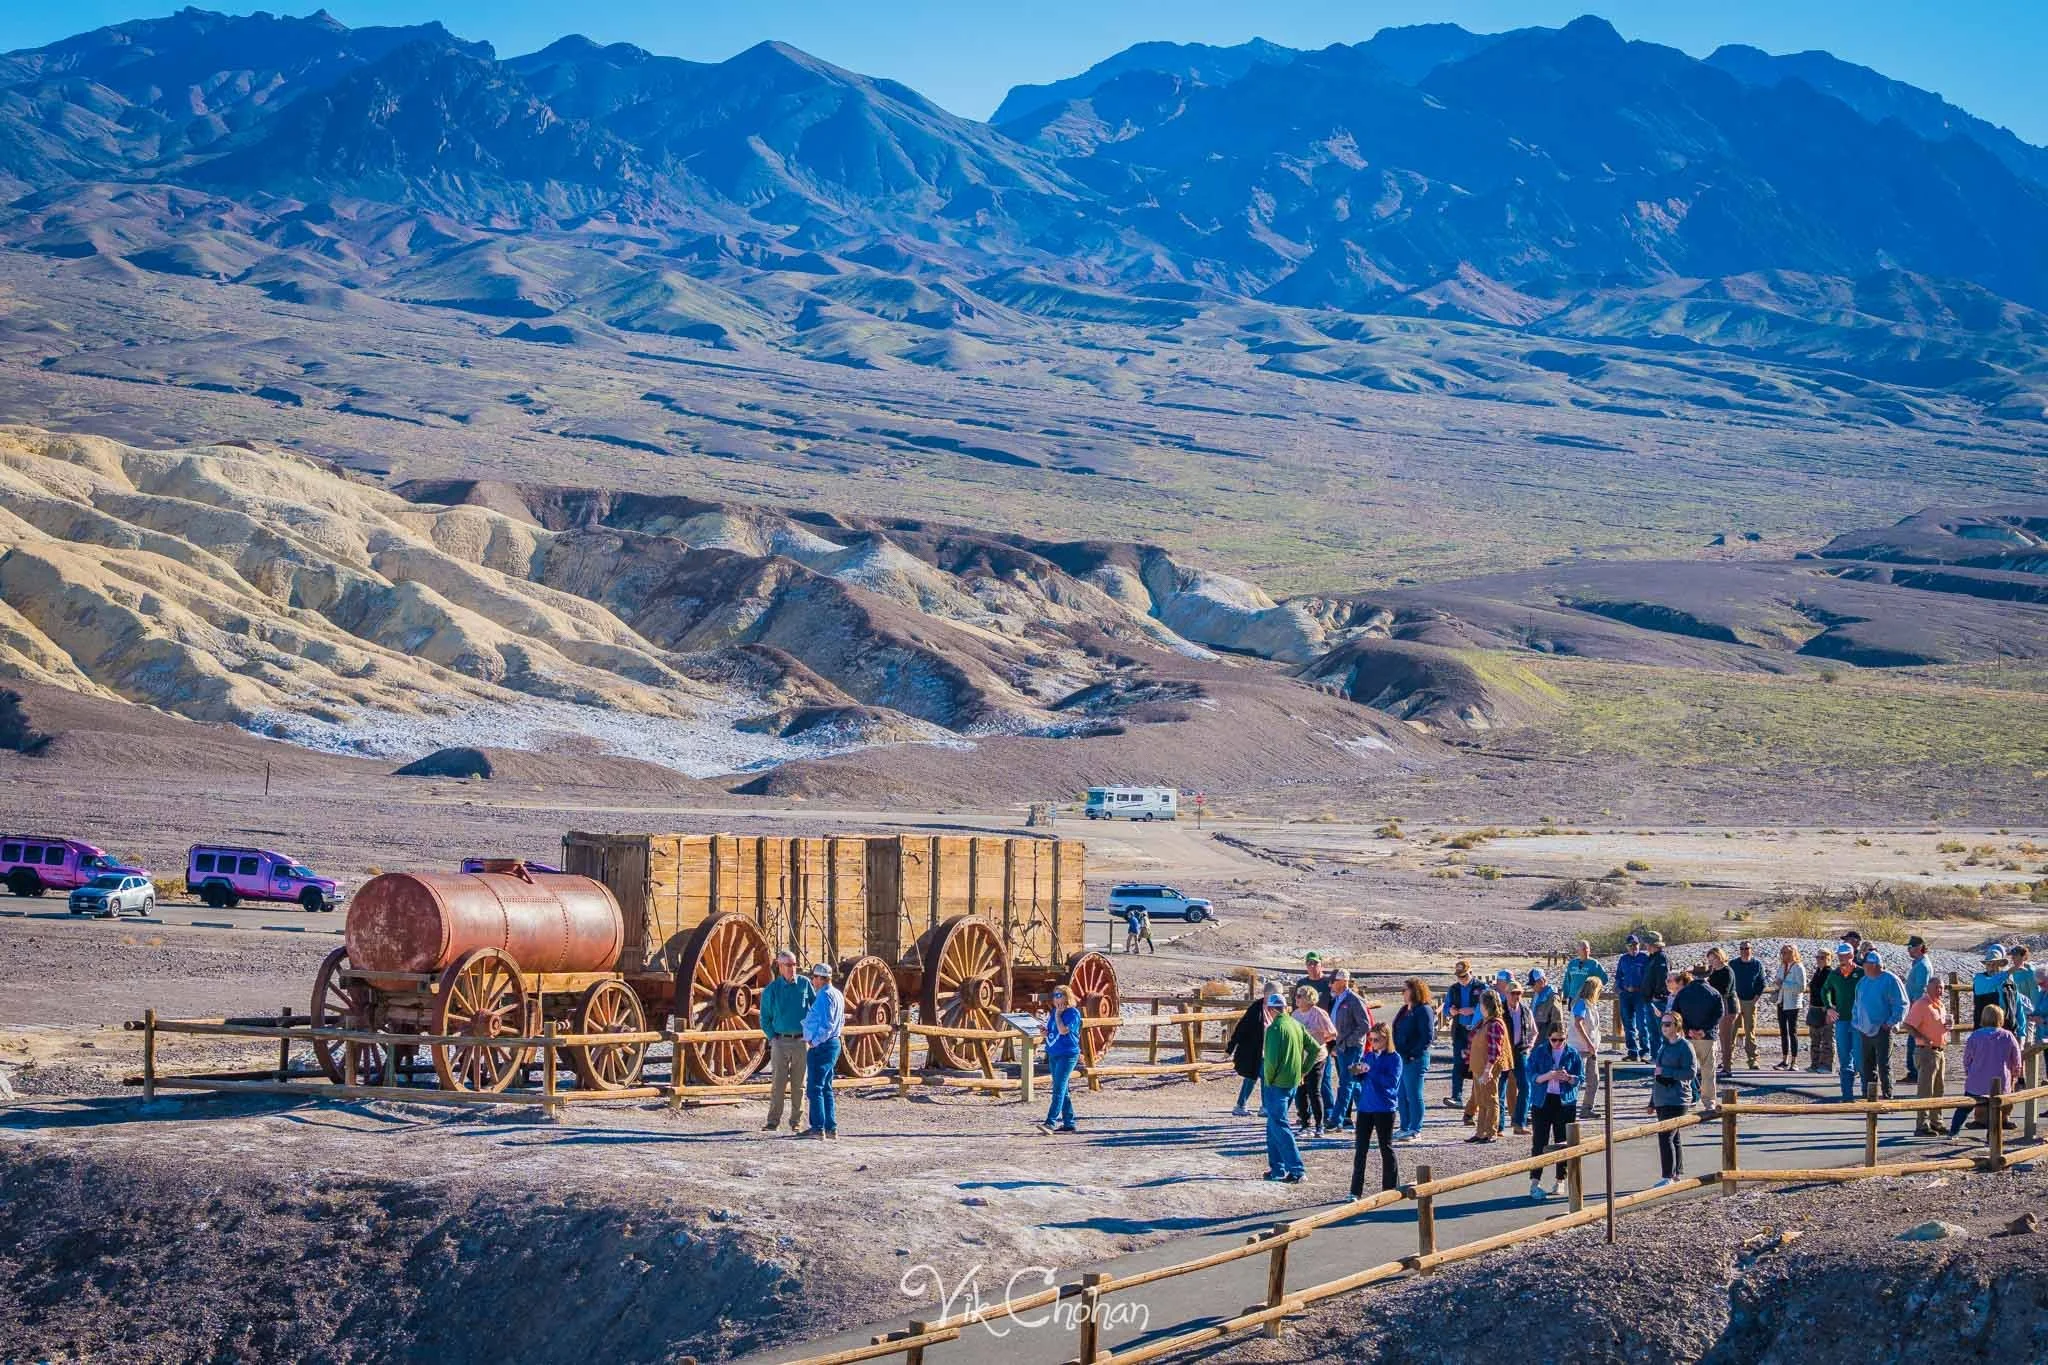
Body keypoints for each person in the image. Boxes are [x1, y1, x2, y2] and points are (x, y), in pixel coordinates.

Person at [1524, 1023, 1584, 1200]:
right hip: (1543, 1101)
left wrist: (1568, 1077)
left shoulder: (1572, 1053)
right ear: (1548, 1038)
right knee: (1539, 1142)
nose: (1557, 1043)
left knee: (1562, 1141)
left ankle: (1560, 1179)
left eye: (1561, 1040)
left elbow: (1579, 1078)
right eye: (1553, 1039)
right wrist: (1548, 1076)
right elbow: (1531, 1074)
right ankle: (1535, 1182)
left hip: (1565, 1102)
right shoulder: (1540, 1051)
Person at [760, 949, 815, 1133]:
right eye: (788, 965)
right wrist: (772, 1037)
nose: (793, 968)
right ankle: (772, 1121)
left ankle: (796, 1123)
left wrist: (812, 1034)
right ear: (780, 966)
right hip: (780, 1041)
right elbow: (764, 1018)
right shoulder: (772, 990)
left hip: (801, 1041)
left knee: (799, 1085)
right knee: (778, 1083)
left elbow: (815, 1010)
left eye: (794, 964)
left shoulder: (805, 984)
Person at [1949, 1004, 2023, 1139]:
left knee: (1965, 1107)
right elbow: (2016, 1059)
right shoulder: (2008, 1036)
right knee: (1995, 1111)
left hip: (1977, 1080)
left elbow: (1967, 1058)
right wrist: (2015, 1074)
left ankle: (1953, 1131)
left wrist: (1969, 1071)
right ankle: (1992, 1138)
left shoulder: (1975, 1036)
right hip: (2000, 1081)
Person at [1348, 1022, 1402, 1197]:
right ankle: (1355, 1191)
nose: (1373, 1043)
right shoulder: (1369, 1056)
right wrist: (1357, 1071)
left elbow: (1391, 1083)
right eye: (1371, 1040)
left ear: (1386, 1039)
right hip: (1365, 1107)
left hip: (1385, 1107)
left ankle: (1389, 1187)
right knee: (1360, 1149)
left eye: (1376, 1039)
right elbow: (1361, 1078)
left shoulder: (1395, 1058)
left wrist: (1371, 1072)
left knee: (1385, 1147)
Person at [1260, 992, 1308, 1182]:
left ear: (1271, 1010)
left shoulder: (1274, 1029)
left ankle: (1297, 1169)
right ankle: (1277, 1169)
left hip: (1277, 1085)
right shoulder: (1296, 1024)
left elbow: (1270, 1061)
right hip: (1292, 1083)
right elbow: (1313, 1048)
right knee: (1273, 1125)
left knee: (1279, 1125)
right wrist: (1303, 1070)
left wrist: (1268, 1080)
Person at [1851, 949, 1908, 1101]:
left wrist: (1891, 1022)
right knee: (1867, 1065)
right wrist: (1857, 1023)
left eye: (1867, 964)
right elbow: (1857, 1004)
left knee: (1884, 1064)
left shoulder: (1890, 980)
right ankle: (1870, 1095)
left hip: (1882, 1030)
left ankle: (1887, 1094)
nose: (1864, 967)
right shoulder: (1863, 982)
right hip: (1864, 1030)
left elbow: (1901, 1004)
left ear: (1875, 965)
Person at [1648, 1012, 1697, 1186]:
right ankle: (1676, 1174)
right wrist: (1652, 1101)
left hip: (1677, 1098)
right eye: (1662, 1024)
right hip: (1662, 1098)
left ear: (1677, 1025)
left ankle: (1667, 1175)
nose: (1664, 1027)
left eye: (1668, 1024)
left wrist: (1667, 1073)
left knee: (1665, 1136)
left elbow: (1690, 1073)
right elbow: (1657, 1075)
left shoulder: (1685, 1046)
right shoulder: (1665, 1045)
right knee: (1674, 1138)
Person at [1901, 976, 1949, 1136]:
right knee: (1925, 1090)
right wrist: (1922, 1037)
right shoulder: (1921, 1004)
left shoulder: (1940, 1005)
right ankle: (1921, 1125)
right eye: (1937, 987)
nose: (1940, 991)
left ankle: (1937, 1122)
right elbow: (1907, 1024)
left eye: (1942, 988)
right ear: (1928, 987)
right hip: (1926, 1051)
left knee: (1939, 1089)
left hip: (1940, 1051)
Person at [801, 962, 844, 1140]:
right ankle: (830, 1127)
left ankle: (818, 1127)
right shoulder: (838, 994)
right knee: (826, 1087)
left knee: (814, 1087)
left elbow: (827, 1025)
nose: (813, 980)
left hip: (823, 1045)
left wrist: (814, 1040)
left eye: (814, 977)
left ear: (821, 978)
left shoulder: (825, 996)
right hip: (832, 1043)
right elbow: (840, 1022)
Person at [1816, 943, 1863, 1100]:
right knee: (1845, 1059)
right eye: (1840, 955)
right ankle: (1847, 1096)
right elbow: (1825, 990)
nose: (1843, 958)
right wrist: (1829, 1007)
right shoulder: (1835, 974)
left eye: (1845, 955)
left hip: (1859, 1021)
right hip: (1842, 1020)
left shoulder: (1861, 973)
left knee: (1860, 1058)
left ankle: (1866, 1095)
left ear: (1852, 955)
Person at [1328, 968, 1372, 1131]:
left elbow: (1365, 1025)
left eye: (1333, 982)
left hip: (1352, 1048)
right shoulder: (1338, 999)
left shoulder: (1354, 1000)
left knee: (1346, 1082)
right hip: (1342, 1047)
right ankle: (1368, 1113)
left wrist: (1348, 1042)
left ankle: (1336, 1119)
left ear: (1342, 982)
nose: (1330, 985)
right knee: (1355, 1083)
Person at [1671, 968, 1723, 1106]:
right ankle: (1709, 1102)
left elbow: (1676, 1014)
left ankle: (1685, 1098)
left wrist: (1688, 1029)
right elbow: (1718, 1014)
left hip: (1688, 1037)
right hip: (1707, 1037)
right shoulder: (1714, 992)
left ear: (1693, 975)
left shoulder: (1683, 993)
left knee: (1686, 1069)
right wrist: (1704, 1030)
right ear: (1708, 975)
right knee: (1708, 1071)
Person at [1392, 977, 1435, 1140]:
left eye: (1406, 989)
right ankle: (1405, 1126)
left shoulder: (1424, 1010)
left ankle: (1415, 1128)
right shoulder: (1405, 1009)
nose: (1403, 992)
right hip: (1401, 1058)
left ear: (1415, 991)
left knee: (1414, 1094)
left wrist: (1413, 1053)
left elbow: (1427, 1036)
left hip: (1415, 1059)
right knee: (1401, 1094)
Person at [1290, 985, 1336, 1137]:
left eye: (1299, 996)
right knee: (1300, 1092)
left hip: (1316, 1057)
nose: (1296, 998)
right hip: (1300, 1058)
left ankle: (1319, 1125)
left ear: (1308, 998)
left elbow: (1332, 1032)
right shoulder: (1295, 1015)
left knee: (1314, 1090)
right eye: (1296, 995)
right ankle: (1305, 1124)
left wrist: (1319, 1041)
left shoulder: (1319, 1013)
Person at [1442, 960, 1484, 1109]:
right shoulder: (1453, 989)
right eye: (1459, 976)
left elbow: (1488, 1005)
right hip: (1460, 1029)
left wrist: (1473, 1010)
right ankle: (1456, 1096)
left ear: (1471, 972)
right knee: (1458, 1063)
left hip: (1478, 1030)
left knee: (1478, 1064)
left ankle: (1477, 1098)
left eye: (1464, 976)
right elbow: (1446, 1008)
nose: (1462, 979)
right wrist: (1450, 1011)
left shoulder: (1481, 987)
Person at [1467, 991, 1508, 1143]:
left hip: (1487, 1068)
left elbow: (1495, 1050)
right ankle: (1480, 1132)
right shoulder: (1484, 1022)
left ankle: (1491, 1132)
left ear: (1487, 1005)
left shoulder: (1495, 1024)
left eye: (1481, 1003)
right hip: (1478, 1067)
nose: (1480, 1006)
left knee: (1491, 1100)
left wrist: (1488, 1070)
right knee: (1481, 1099)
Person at [1041, 985, 1082, 1133]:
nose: (1056, 998)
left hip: (1067, 1054)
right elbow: (1053, 1032)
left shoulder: (1073, 1013)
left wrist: (1058, 1015)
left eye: (1059, 995)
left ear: (1067, 997)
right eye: (1055, 995)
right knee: (1062, 1088)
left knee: (1058, 1088)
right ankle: (1069, 1122)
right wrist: (1045, 1032)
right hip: (1054, 1052)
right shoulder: (1054, 1012)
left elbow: (1063, 1030)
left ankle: (1050, 1122)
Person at [1499, 974, 1535, 1135]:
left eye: (1518, 993)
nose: (1516, 996)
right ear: (1506, 994)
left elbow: (1534, 1031)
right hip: (1504, 1053)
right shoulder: (1499, 1010)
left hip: (1521, 1051)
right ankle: (1498, 1126)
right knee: (1500, 1088)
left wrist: (1530, 1046)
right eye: (1513, 993)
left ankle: (1519, 1123)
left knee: (1526, 1087)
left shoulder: (1526, 1010)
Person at [1226, 990, 1268, 1116]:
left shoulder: (1276, 1007)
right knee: (1259, 1076)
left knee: (1253, 1077)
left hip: (1267, 1049)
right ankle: (1263, 1106)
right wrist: (1230, 1048)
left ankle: (1241, 1104)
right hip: (1253, 1050)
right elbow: (1241, 1028)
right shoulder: (1256, 1009)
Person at [1568, 978, 1604, 1119]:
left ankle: (1587, 1108)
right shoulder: (1581, 1004)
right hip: (1579, 1048)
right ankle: (1569, 1107)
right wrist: (1588, 1043)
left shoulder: (1591, 1005)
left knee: (1593, 1080)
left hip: (1591, 1049)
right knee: (1576, 1080)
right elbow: (1579, 1023)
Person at [1730, 940, 1766, 1071]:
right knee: (1731, 1032)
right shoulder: (1733, 964)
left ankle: (1753, 1060)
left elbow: (1762, 983)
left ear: (1751, 949)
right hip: (1735, 1001)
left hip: (1750, 1001)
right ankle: (1728, 1059)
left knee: (1749, 1031)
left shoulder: (1757, 964)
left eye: (1747, 948)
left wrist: (1755, 999)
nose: (1745, 951)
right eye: (1742, 949)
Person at [1770, 943, 1806, 1071]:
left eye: (1787, 952)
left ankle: (1794, 1061)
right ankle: (1784, 1060)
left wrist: (1784, 984)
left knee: (1792, 1032)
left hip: (1793, 1004)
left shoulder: (1798, 967)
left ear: (1793, 953)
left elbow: (1802, 987)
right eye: (1783, 952)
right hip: (1782, 1002)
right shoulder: (1782, 966)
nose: (1784, 955)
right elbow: (1778, 981)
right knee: (1783, 1032)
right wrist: (1777, 983)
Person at [1615, 934, 1650, 1061]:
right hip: (1625, 995)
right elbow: (1618, 976)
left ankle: (1645, 1051)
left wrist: (1640, 988)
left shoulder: (1644, 958)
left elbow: (1648, 977)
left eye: (1635, 945)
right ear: (1627, 947)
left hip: (1640, 995)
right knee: (1628, 1024)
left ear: (1638, 945)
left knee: (1642, 1024)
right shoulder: (1623, 959)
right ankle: (1632, 1052)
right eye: (1630, 946)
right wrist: (1621, 988)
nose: (1633, 948)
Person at [1902, 935, 1931, 1083]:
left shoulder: (1923, 966)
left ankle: (1915, 1072)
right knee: (1913, 1040)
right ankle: (1914, 1071)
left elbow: (1920, 990)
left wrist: (1913, 1010)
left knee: (1914, 1040)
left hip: (1916, 1008)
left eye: (1911, 947)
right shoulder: (1918, 964)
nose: (1909, 950)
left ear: (1920, 947)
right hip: (1914, 1006)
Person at [1704, 948, 1737, 1080]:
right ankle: (1724, 1064)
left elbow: (1725, 991)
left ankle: (1727, 1067)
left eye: (1714, 959)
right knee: (1721, 1037)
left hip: (1728, 1006)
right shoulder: (1713, 971)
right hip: (1719, 1007)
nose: (1712, 962)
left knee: (1725, 1037)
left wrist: (1708, 986)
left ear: (1720, 957)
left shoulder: (1727, 971)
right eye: (1710, 960)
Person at [1805, 946, 1836, 1074]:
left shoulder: (1831, 973)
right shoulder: (1818, 972)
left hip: (1825, 1009)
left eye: (1822, 957)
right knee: (1815, 1038)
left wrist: (1830, 1007)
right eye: (1818, 957)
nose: (1819, 960)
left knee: (1827, 1039)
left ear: (1829, 958)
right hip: (1814, 1008)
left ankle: (1827, 1065)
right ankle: (1815, 1063)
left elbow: (1832, 992)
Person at [1562, 941, 1608, 1009]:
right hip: (1573, 997)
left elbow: (1604, 979)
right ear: (1578, 951)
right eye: (1583, 949)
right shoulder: (1572, 964)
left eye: (1587, 948)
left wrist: (1595, 990)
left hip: (1587, 999)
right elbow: (1567, 981)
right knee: (1574, 1018)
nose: (1586, 950)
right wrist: (1565, 996)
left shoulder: (1594, 964)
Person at [1528, 967, 1563, 1040]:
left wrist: (1555, 1039)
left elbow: (1557, 1020)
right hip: (1536, 1034)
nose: (1532, 987)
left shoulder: (1552, 997)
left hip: (1546, 1036)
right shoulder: (1536, 995)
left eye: (1533, 984)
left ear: (1542, 981)